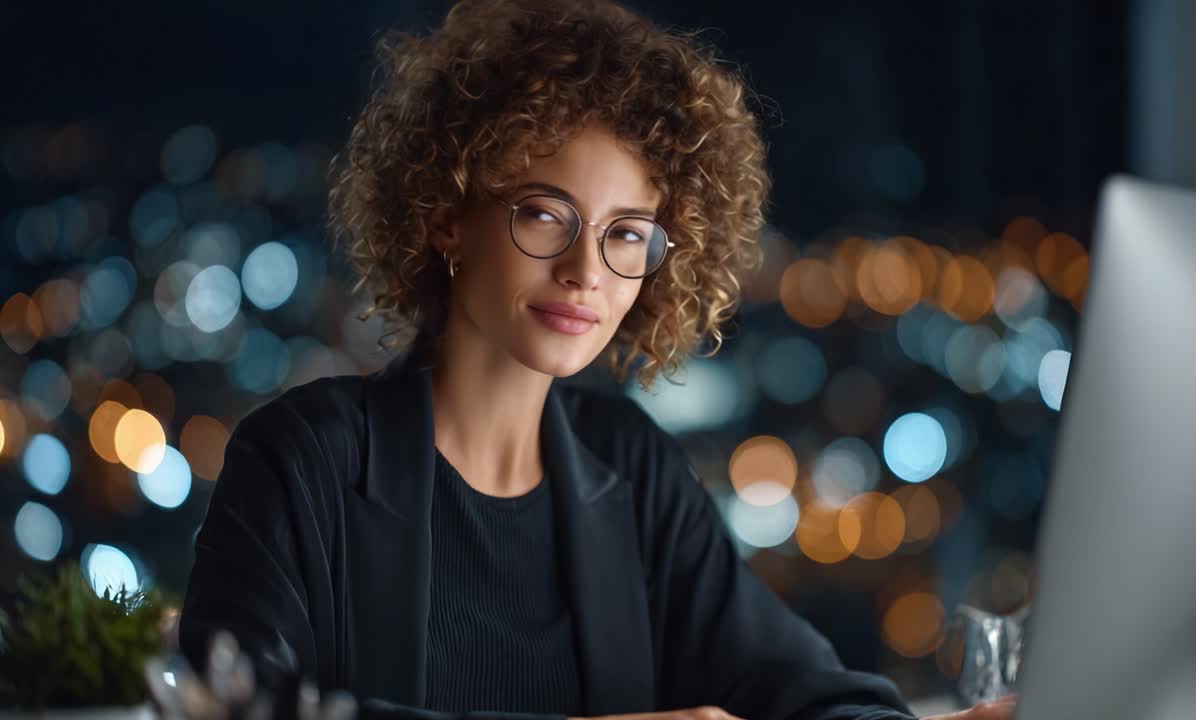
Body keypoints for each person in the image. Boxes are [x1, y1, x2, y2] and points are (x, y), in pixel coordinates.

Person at [178, 1, 1016, 719]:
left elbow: (800, 683)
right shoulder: (300, 461)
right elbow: (234, 710)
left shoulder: (633, 470)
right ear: (445, 216)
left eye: (625, 234)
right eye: (545, 215)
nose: (586, 269)